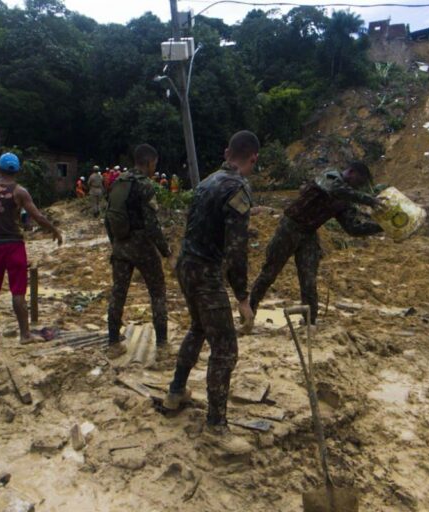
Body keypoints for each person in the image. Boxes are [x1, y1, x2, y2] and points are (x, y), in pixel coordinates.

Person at [163, 130, 259, 455]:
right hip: (205, 272)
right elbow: (236, 249)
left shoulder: (206, 182)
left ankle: (176, 392)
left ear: (227, 151)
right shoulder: (238, 188)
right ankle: (216, 426)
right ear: (253, 158)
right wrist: (243, 298)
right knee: (226, 350)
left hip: (186, 265)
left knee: (198, 328)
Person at [249, 162, 385, 325]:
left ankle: (309, 321)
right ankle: (249, 311)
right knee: (269, 273)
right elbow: (334, 189)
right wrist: (369, 200)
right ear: (351, 172)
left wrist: (382, 227)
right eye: (359, 181)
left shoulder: (345, 200)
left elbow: (353, 228)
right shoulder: (330, 176)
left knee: (309, 279)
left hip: (309, 234)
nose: (359, 186)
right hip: (290, 227)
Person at [0, 153, 63, 344]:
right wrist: (54, 230)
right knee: (18, 292)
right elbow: (37, 216)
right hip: (14, 244)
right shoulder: (20, 192)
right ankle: (24, 335)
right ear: (18, 170)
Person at [104, 144, 171, 358]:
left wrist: (115, 243)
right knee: (157, 292)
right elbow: (152, 226)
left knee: (118, 293)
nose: (154, 168)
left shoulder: (118, 183)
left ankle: (113, 343)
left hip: (121, 246)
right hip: (143, 248)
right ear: (149, 162)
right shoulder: (145, 186)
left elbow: (108, 217)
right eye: (154, 164)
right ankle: (162, 345)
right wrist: (166, 252)